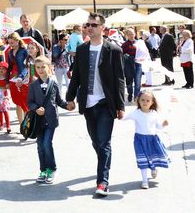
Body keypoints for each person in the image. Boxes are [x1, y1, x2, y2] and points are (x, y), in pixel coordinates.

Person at [66, 12, 126, 197]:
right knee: (96, 141)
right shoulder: (82, 50)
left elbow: (120, 79)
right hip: (88, 104)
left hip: (105, 103)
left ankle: (102, 182)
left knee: (104, 142)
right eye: (87, 24)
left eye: (93, 25)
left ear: (102, 28)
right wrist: (70, 98)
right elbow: (76, 75)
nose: (89, 27)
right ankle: (103, 163)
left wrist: (121, 105)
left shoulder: (114, 50)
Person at [29, 56, 69, 185]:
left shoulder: (54, 83)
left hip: (51, 120)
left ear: (49, 68)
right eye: (38, 67)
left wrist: (67, 105)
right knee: (40, 146)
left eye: (43, 67)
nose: (40, 70)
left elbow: (58, 100)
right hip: (38, 121)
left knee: (47, 144)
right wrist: (35, 108)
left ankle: (52, 169)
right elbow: (29, 102)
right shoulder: (34, 85)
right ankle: (43, 170)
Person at [123, 90, 170, 189]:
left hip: (152, 139)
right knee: (142, 159)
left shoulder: (154, 114)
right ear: (138, 101)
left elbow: (159, 127)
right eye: (142, 100)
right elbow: (124, 118)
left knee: (153, 157)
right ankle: (144, 181)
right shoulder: (136, 113)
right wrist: (119, 113)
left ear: (152, 102)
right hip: (139, 139)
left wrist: (163, 125)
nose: (145, 102)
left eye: (148, 100)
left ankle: (154, 169)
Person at [5, 32, 29, 129]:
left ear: (17, 41)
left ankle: (28, 125)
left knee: (25, 102)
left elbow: (27, 66)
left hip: (23, 79)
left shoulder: (24, 51)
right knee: (17, 103)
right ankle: (22, 126)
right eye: (9, 43)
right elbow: (9, 67)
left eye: (12, 43)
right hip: (13, 79)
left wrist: (22, 77)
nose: (10, 45)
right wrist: (7, 81)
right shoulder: (10, 52)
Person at [0, 62, 12, 133]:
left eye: (3, 69)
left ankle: (8, 126)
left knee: (5, 110)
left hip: (5, 96)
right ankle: (1, 125)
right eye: (0, 69)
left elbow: (9, 88)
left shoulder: (7, 78)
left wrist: (7, 96)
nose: (1, 70)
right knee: (0, 111)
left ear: (6, 70)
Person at [51, 33, 71, 98]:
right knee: (59, 84)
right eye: (65, 39)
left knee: (68, 83)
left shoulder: (68, 46)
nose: (66, 41)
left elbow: (71, 56)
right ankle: (60, 98)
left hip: (67, 67)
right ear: (61, 40)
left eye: (67, 39)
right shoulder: (55, 47)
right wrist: (60, 48)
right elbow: (55, 55)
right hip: (58, 67)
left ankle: (69, 97)